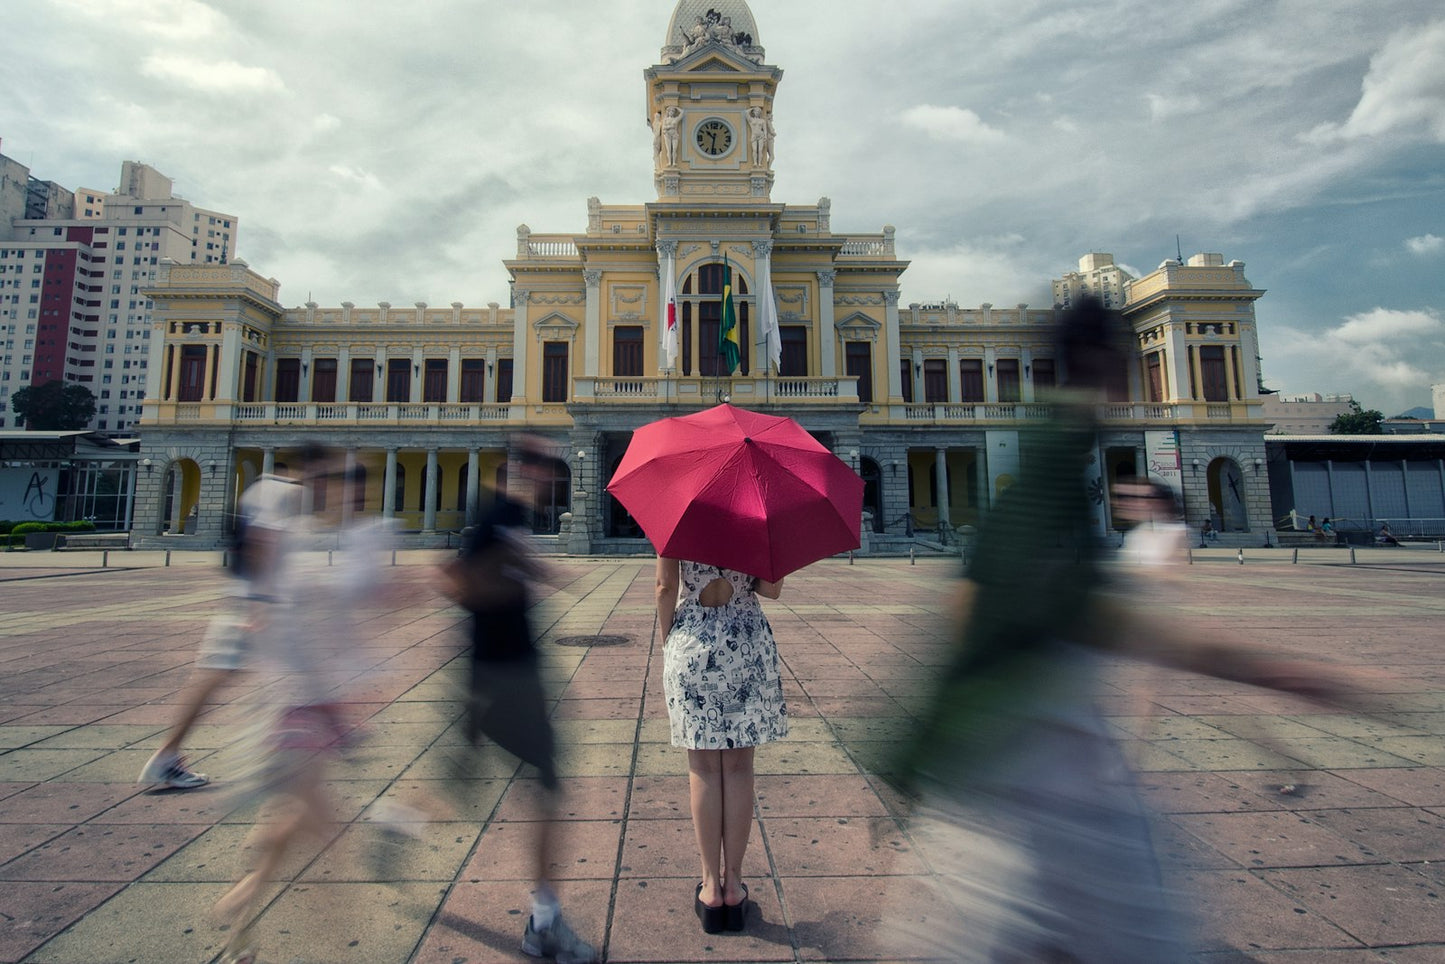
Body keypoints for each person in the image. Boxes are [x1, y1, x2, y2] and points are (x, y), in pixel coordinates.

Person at [888, 296, 1371, 963]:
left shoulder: (1047, 451)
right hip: (1043, 775)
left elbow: (973, 604)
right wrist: (1276, 671)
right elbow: (1083, 614)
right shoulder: (1054, 453)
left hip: (1015, 764)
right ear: (1110, 366)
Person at [212, 445, 390, 964]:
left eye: (358, 487)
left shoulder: (343, 540)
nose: (353, 495)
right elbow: (290, 627)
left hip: (316, 701)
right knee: (324, 834)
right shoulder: (300, 545)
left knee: (293, 818)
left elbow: (338, 624)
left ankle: (243, 910)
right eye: (344, 485)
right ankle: (323, 936)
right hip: (298, 702)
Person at [438, 434, 599, 964]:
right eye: (548, 466)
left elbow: (508, 569)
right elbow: (456, 582)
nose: (555, 476)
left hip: (505, 673)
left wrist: (537, 572)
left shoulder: (514, 518)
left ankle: (396, 820)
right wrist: (508, 576)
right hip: (501, 675)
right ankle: (544, 922)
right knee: (547, 792)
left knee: (459, 784)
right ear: (526, 469)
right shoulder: (495, 514)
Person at [136, 461, 303, 790]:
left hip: (253, 600)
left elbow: (248, 542)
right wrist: (260, 599)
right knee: (221, 676)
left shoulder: (260, 489)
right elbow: (260, 542)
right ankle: (169, 755)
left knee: (249, 676)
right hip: (254, 604)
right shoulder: (282, 492)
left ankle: (173, 755)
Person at [657, 555, 786, 934]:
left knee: (703, 769)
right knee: (739, 769)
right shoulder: (755, 517)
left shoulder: (678, 515)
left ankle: (710, 886)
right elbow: (772, 590)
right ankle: (734, 883)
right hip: (746, 643)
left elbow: (665, 588)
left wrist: (669, 644)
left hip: (692, 642)